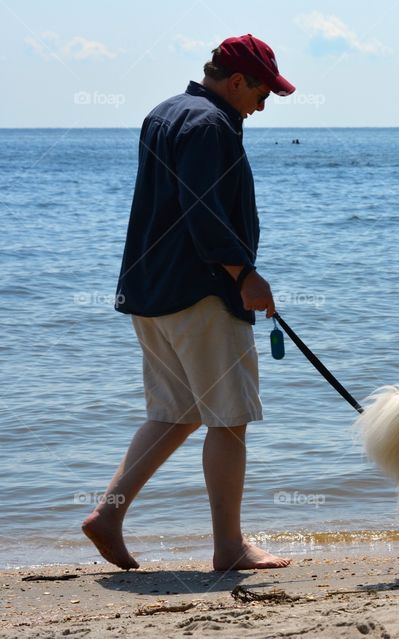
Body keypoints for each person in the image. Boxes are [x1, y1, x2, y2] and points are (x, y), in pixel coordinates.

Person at [82, 34, 295, 571]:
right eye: (264, 93)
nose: (264, 105)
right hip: (201, 292)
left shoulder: (165, 113)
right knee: (229, 420)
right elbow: (203, 214)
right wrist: (244, 274)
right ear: (237, 80)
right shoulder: (209, 125)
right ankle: (229, 547)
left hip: (152, 288)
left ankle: (107, 515)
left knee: (175, 413)